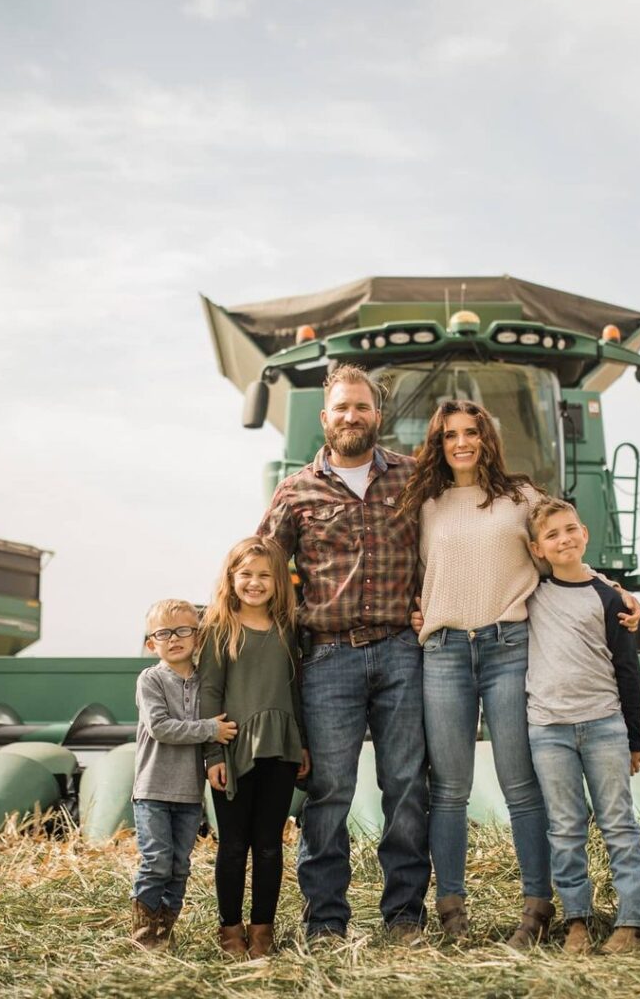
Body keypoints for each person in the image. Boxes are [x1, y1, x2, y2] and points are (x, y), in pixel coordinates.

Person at [398, 399, 640, 947]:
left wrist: (615, 591)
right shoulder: (426, 504)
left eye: (472, 432)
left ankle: (537, 909)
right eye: (450, 435)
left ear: (487, 438)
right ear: (438, 444)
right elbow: (416, 573)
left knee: (521, 787)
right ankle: (452, 911)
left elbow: (563, 555)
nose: (462, 442)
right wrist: (420, 612)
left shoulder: (520, 497)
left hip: (509, 647)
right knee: (450, 790)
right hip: (443, 652)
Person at [258, 363, 429, 942]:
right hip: (327, 657)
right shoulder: (296, 491)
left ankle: (405, 915)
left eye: (362, 407)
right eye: (341, 408)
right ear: (324, 417)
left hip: (402, 652)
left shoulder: (413, 478)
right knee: (329, 791)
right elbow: (259, 569)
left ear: (377, 415)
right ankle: (326, 920)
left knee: (406, 785)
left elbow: (465, 534)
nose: (351, 416)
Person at [526, 497, 640, 954]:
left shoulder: (609, 598)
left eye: (570, 530)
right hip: (549, 729)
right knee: (564, 827)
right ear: (537, 549)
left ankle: (633, 922)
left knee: (619, 824)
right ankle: (577, 921)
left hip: (603, 725)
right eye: (552, 535)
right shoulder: (531, 594)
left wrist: (635, 738)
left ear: (585, 534)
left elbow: (628, 670)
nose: (563, 539)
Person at [198, 537, 311, 959]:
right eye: (246, 574)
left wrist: (300, 742)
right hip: (234, 749)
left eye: (264, 575)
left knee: (268, 844)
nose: (255, 583)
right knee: (232, 844)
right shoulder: (218, 629)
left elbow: (295, 690)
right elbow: (210, 692)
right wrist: (212, 753)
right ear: (232, 578)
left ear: (279, 581)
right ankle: (230, 929)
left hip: (280, 748)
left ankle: (262, 930)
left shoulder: (287, 629)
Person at [131, 598, 237, 952]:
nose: (174, 639)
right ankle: (144, 935)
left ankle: (165, 932)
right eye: (164, 633)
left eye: (183, 631)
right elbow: (160, 727)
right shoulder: (151, 679)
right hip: (153, 790)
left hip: (189, 794)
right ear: (152, 643)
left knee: (179, 866)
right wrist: (209, 729)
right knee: (156, 862)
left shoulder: (206, 681)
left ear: (198, 636)